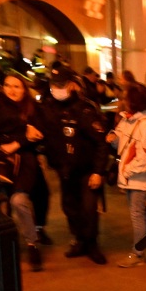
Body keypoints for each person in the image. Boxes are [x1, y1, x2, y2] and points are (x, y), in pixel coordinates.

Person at [38, 67, 109, 264]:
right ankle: (79, 240)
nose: (57, 89)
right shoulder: (48, 107)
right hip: (64, 169)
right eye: (54, 85)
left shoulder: (84, 109)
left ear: (72, 85)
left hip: (86, 170)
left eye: (61, 85)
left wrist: (98, 171)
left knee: (88, 209)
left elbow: (101, 142)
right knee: (69, 208)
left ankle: (92, 244)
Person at [0, 71, 46, 271]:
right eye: (7, 85)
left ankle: (32, 244)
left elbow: (38, 134)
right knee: (1, 204)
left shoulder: (32, 108)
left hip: (25, 162)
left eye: (16, 86)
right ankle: (4, 246)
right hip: (0, 161)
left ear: (24, 88)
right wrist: (22, 136)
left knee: (19, 201)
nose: (11, 90)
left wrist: (16, 143)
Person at [109, 83, 146, 267]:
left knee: (137, 215)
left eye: (126, 97)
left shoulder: (144, 124)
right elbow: (121, 146)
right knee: (143, 216)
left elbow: (144, 159)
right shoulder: (127, 120)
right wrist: (114, 139)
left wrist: (126, 171)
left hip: (138, 180)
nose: (122, 101)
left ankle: (137, 253)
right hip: (131, 179)